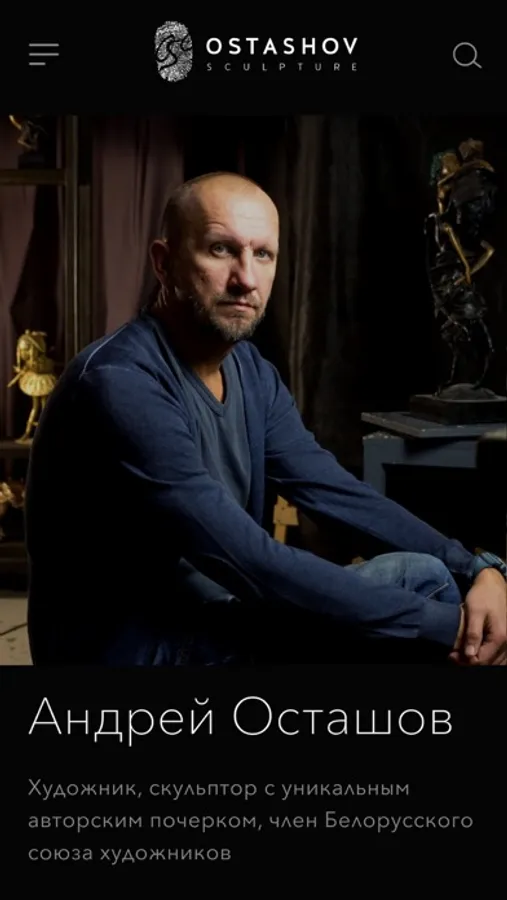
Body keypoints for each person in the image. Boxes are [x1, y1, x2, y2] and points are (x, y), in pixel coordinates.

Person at [24, 172, 507, 666]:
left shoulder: (250, 371)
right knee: (431, 603)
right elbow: (248, 561)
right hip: (135, 653)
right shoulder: (119, 382)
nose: (246, 279)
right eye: (220, 250)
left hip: (215, 618)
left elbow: (333, 492)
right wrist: (453, 629)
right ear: (164, 263)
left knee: (429, 576)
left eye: (263, 254)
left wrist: (477, 568)